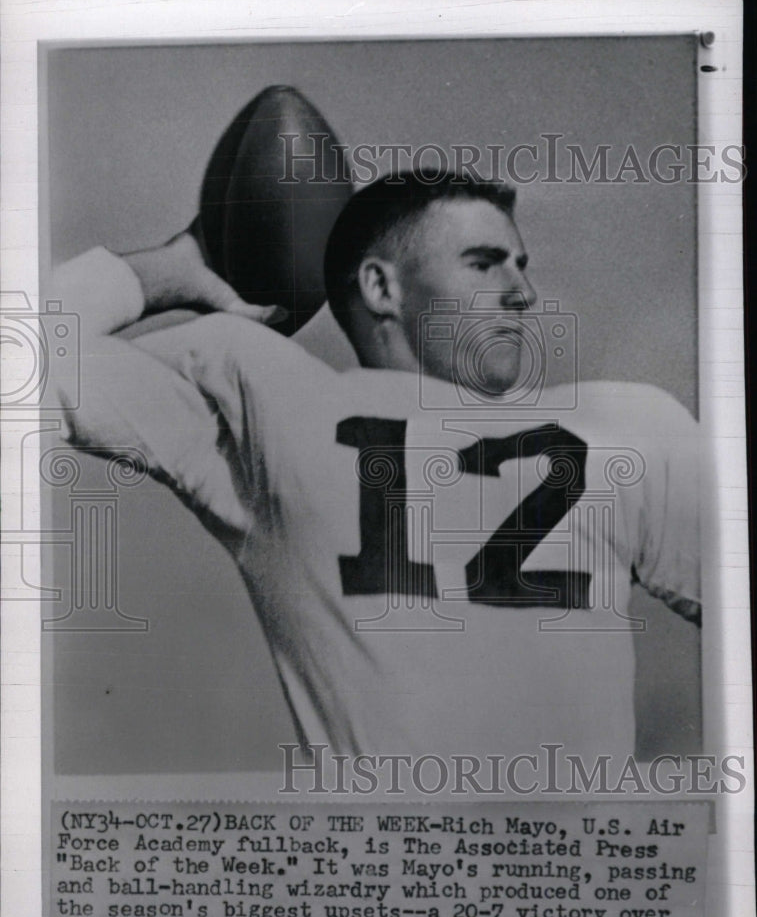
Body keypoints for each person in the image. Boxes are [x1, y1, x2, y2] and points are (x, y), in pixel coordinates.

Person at [52, 173, 700, 763]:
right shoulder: (272, 401)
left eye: (520, 266)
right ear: (381, 287)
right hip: (385, 878)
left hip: (579, 879)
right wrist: (175, 268)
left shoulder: (627, 422)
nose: (522, 293)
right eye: (483, 264)